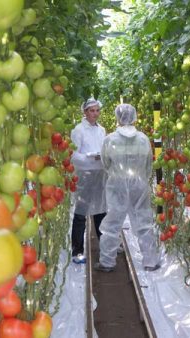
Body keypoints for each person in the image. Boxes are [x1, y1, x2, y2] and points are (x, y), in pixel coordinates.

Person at [94, 103, 160, 272]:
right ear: (134, 116)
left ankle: (107, 262)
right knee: (143, 221)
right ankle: (150, 261)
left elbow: (105, 163)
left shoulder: (110, 139)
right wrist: (140, 178)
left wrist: (116, 175)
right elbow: (148, 163)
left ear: (118, 118)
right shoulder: (143, 139)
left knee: (112, 223)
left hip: (117, 184)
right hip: (139, 183)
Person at [70, 98, 107, 264]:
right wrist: (90, 157)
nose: (95, 114)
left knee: (101, 212)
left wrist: (102, 156)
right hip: (85, 175)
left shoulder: (102, 130)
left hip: (100, 174)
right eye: (91, 110)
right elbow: (72, 156)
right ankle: (77, 251)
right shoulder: (78, 130)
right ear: (85, 112)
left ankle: (105, 247)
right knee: (80, 214)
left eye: (97, 110)